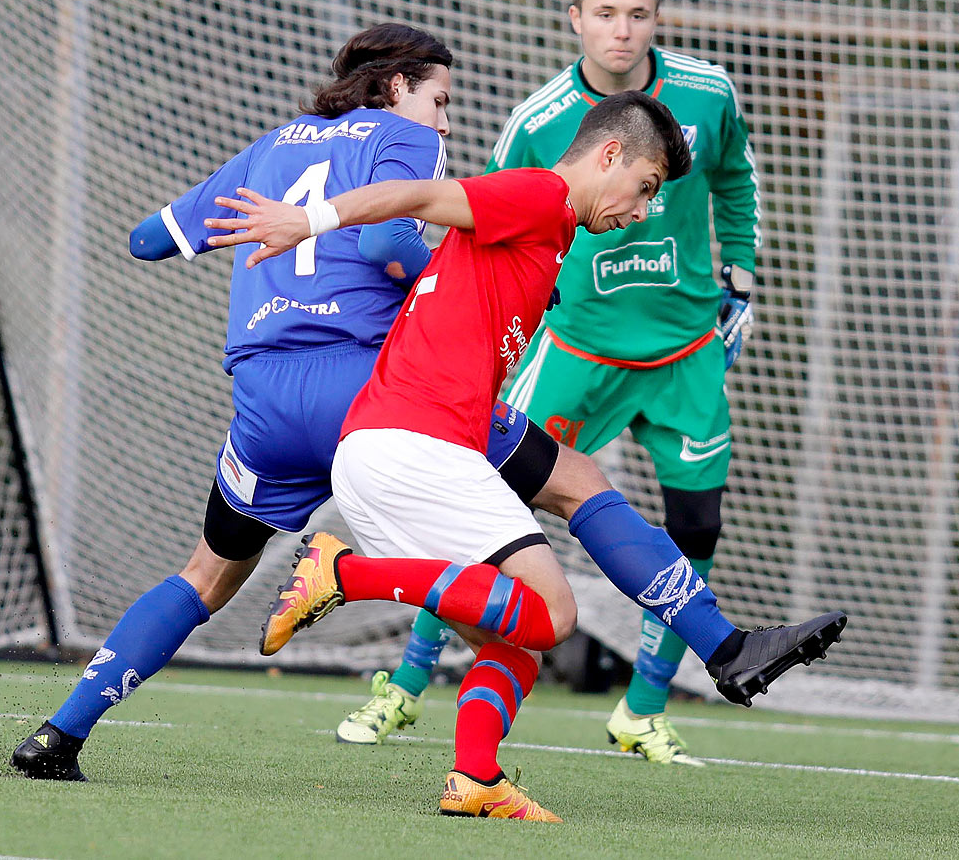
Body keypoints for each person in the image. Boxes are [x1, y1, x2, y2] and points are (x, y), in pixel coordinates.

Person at [10, 25, 834, 789]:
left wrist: (282, 230)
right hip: (376, 389)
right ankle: (717, 644)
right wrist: (431, 275)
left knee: (206, 577)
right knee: (574, 493)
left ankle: (62, 731)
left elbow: (148, 240)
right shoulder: (405, 139)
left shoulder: (269, 149)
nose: (444, 120)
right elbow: (386, 235)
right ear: (396, 87)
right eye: (440, 98)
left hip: (262, 399)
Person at [204, 90, 846, 821]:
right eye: (645, 188)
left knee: (519, 627)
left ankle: (476, 776)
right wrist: (309, 219)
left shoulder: (553, 231)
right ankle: (343, 570)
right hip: (414, 445)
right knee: (552, 612)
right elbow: (416, 194)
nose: (641, 211)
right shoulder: (540, 195)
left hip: (407, 444)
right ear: (609, 154)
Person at [355, 0, 762, 766]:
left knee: (696, 525)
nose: (623, 30)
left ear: (658, 17)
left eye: (639, 13)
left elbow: (736, 183)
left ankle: (642, 709)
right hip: (572, 347)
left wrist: (740, 275)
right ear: (576, 18)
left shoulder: (708, 93)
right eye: (606, 13)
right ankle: (407, 678)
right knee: (488, 508)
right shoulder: (540, 123)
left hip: (685, 347)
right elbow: (477, 220)